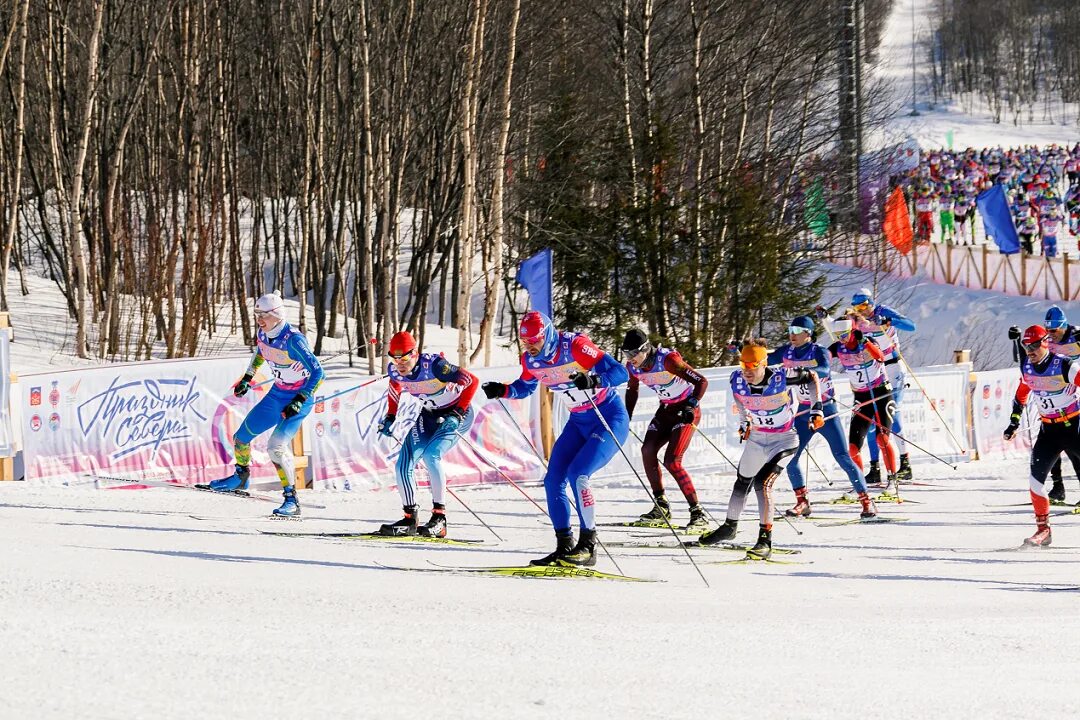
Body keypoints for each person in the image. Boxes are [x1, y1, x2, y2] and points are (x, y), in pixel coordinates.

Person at [482, 311, 630, 567]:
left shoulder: (575, 346)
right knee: (553, 480)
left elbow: (620, 373)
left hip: (608, 417)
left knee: (579, 474)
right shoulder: (531, 360)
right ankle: (565, 545)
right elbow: (525, 387)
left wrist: (594, 379)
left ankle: (588, 546)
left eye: (534, 342)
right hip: (578, 422)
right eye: (525, 342)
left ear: (547, 335)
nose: (530, 348)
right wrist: (503, 390)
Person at [698, 339, 823, 559]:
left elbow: (812, 377)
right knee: (742, 481)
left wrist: (817, 410)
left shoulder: (782, 377)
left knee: (762, 483)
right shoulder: (736, 379)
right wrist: (745, 423)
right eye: (744, 365)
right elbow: (741, 399)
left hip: (784, 440)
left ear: (764, 363)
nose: (747, 370)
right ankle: (729, 527)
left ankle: (765, 540)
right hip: (757, 439)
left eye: (753, 365)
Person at [202, 292, 323, 517]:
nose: (259, 320)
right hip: (277, 393)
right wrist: (248, 377)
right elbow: (261, 352)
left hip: (299, 398)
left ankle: (291, 500)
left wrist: (299, 400)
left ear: (276, 315)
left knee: (275, 447)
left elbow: (318, 372)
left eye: (263, 315)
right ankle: (240, 478)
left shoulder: (293, 339)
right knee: (240, 439)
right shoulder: (264, 333)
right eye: (257, 314)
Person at [767, 316, 877, 519]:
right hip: (803, 412)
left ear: (808, 333)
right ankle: (802, 502)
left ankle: (866, 501)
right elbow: (765, 360)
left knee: (842, 457)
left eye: (798, 330)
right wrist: (743, 351)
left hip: (825, 410)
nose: (792, 333)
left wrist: (804, 372)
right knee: (791, 457)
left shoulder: (819, 350)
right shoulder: (786, 351)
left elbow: (825, 369)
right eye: (791, 329)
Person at [376, 331, 478, 537]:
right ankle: (409, 519)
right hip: (429, 416)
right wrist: (390, 416)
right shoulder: (395, 371)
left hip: (458, 413)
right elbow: (395, 388)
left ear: (415, 353)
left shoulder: (435, 366)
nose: (400, 363)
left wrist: (457, 413)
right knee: (403, 463)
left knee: (431, 456)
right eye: (395, 358)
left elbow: (472, 381)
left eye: (404, 358)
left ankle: (439, 519)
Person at [620, 328, 709, 531]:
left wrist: (692, 403)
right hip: (666, 409)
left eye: (634, 353)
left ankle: (697, 512)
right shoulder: (633, 368)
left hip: (685, 410)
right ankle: (661, 506)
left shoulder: (668, 360)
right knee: (647, 450)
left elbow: (701, 381)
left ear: (645, 349)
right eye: (626, 354)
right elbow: (632, 390)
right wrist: (627, 416)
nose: (630, 358)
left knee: (672, 461)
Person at [1003, 325, 1080, 547]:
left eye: (1035, 345)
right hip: (1049, 430)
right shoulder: (1027, 366)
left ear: (1045, 342)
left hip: (1073, 426)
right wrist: (1014, 421)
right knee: (1035, 481)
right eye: (1027, 346)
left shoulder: (1063, 364)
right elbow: (1021, 395)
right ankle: (1043, 530)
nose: (1031, 350)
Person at [820, 313, 901, 487]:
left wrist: (865, 342)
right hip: (861, 396)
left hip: (881, 393)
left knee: (882, 439)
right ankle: (860, 484)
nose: (841, 339)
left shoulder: (868, 340)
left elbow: (880, 356)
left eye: (844, 335)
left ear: (852, 330)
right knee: (853, 447)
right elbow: (822, 359)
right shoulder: (838, 347)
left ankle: (892, 478)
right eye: (838, 336)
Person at [847, 288, 917, 485]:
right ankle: (875, 467)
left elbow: (911, 326)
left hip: (892, 367)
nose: (862, 309)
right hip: (873, 371)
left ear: (871, 302)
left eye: (864, 305)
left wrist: (888, 322)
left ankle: (905, 464)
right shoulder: (856, 321)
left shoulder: (882, 311)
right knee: (870, 419)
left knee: (891, 414)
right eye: (857, 306)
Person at [1043, 306, 1080, 503]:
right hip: (1058, 396)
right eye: (1048, 330)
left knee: (1075, 446)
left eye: (1054, 330)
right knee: (1053, 442)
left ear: (1063, 326)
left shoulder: (1077, 335)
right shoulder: (1046, 340)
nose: (1051, 335)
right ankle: (1058, 487)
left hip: (1077, 392)